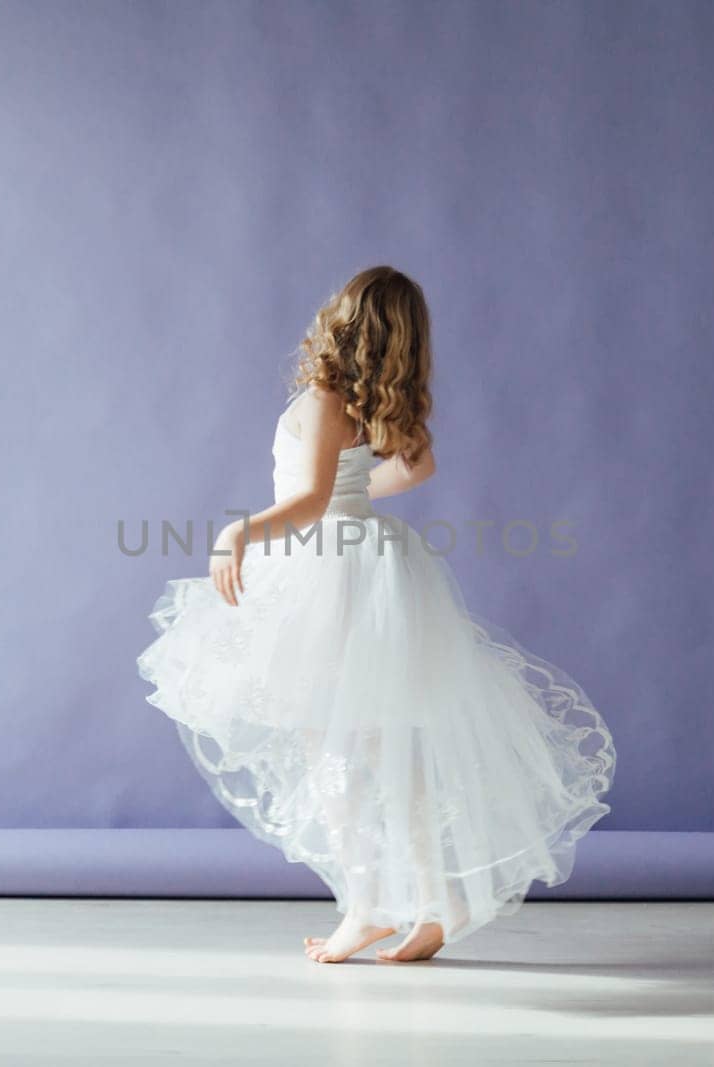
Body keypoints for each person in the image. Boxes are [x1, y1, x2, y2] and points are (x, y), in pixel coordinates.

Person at [138, 265, 615, 963]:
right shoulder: (376, 404)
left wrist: (239, 530)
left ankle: (366, 906)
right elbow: (414, 470)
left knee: (329, 743)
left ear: (343, 317)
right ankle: (434, 900)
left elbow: (308, 501)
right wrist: (353, 496)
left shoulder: (325, 398)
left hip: (327, 573)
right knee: (381, 750)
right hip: (368, 569)